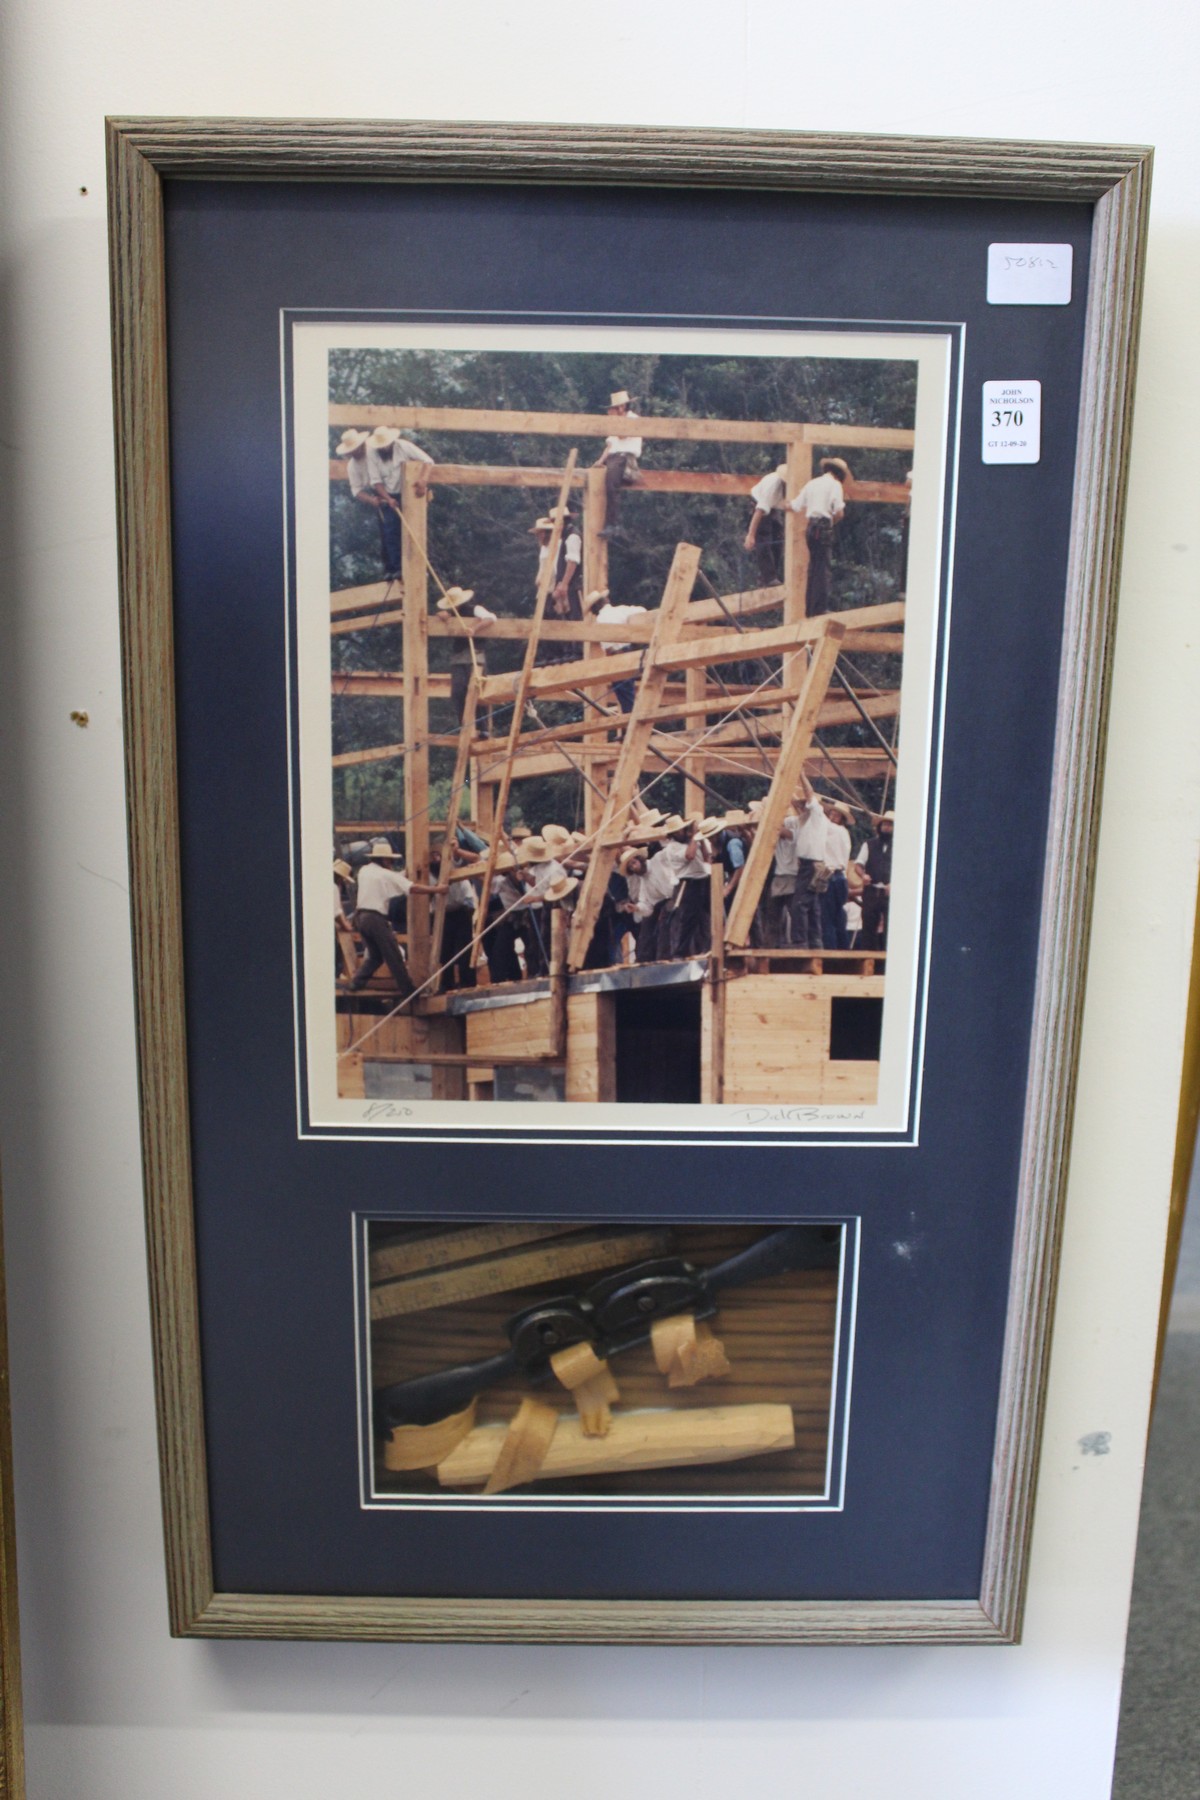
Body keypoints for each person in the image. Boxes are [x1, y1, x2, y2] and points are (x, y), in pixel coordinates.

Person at [341, 839, 435, 997]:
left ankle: (357, 982)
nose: (391, 863)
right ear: (384, 860)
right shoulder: (385, 874)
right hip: (374, 918)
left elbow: (389, 879)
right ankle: (408, 991)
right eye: (390, 861)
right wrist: (437, 889)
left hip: (361, 918)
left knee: (376, 956)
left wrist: (402, 874)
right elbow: (412, 887)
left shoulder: (365, 871)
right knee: (393, 955)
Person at [337, 428, 402, 582]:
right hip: (379, 494)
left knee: (395, 530)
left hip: (393, 488)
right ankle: (391, 568)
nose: (354, 452)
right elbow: (356, 490)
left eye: (356, 448)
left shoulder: (375, 451)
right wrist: (372, 500)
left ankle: (399, 566)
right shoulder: (352, 466)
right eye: (351, 450)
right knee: (387, 532)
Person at [789, 456, 851, 616]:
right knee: (823, 568)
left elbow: (794, 505)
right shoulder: (835, 485)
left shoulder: (812, 483)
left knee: (813, 567)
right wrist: (831, 523)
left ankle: (810, 609)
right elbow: (839, 512)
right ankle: (819, 608)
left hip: (811, 527)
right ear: (839, 474)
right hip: (823, 526)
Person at [436, 586, 496, 728]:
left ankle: (483, 727)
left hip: (475, 653)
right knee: (457, 692)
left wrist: (474, 629)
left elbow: (491, 618)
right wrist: (441, 616)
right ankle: (464, 723)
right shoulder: (451, 613)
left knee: (478, 690)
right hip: (459, 656)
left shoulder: (475, 609)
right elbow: (441, 617)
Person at [781, 774, 829, 950]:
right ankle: (815, 941)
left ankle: (800, 941)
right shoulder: (806, 821)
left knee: (799, 904)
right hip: (811, 865)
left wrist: (800, 774)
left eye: (803, 805)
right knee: (812, 905)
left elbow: (809, 794)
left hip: (811, 865)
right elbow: (797, 803)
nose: (801, 807)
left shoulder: (817, 814)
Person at [529, 508, 583, 662]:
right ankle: (565, 652)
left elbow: (572, 561)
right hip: (560, 584)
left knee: (572, 617)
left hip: (569, 585)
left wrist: (563, 583)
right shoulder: (563, 537)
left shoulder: (572, 536)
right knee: (564, 616)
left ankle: (576, 651)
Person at [586, 588, 648, 711]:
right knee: (627, 691)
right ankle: (631, 718)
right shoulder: (621, 610)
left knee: (624, 693)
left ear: (595, 608)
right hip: (629, 653)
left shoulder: (600, 620)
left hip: (616, 656)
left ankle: (630, 721)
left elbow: (608, 648)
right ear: (606, 600)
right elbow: (643, 611)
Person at [593, 390, 643, 535]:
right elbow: (610, 445)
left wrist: (614, 421)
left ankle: (613, 524)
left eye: (612, 408)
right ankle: (611, 523)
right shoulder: (616, 422)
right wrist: (600, 461)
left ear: (621, 408)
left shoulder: (633, 419)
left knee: (611, 486)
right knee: (605, 487)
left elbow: (622, 435)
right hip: (614, 456)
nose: (609, 411)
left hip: (624, 456)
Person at [667, 820, 714, 959]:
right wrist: (694, 837)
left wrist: (700, 838)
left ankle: (708, 948)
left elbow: (706, 857)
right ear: (674, 833)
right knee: (688, 919)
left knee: (707, 917)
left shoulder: (692, 842)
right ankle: (680, 953)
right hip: (688, 883)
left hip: (703, 880)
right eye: (681, 830)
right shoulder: (673, 847)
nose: (684, 832)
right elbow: (690, 856)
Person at [743, 463, 788, 585]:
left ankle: (769, 576)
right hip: (758, 505)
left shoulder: (789, 487)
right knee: (763, 538)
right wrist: (751, 535)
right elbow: (759, 511)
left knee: (779, 538)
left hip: (772, 508)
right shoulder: (773, 485)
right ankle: (768, 578)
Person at [856, 810, 894, 949]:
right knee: (868, 926)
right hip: (871, 891)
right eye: (884, 824)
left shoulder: (901, 846)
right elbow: (858, 865)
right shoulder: (869, 844)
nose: (886, 827)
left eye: (890, 825)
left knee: (891, 929)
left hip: (889, 893)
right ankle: (868, 959)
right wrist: (863, 876)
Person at [819, 799, 853, 951]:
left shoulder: (834, 830)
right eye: (831, 814)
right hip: (840, 878)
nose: (832, 817)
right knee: (838, 915)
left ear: (842, 820)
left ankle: (831, 951)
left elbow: (819, 818)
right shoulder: (843, 833)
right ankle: (843, 948)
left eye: (836, 815)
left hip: (832, 877)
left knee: (827, 917)